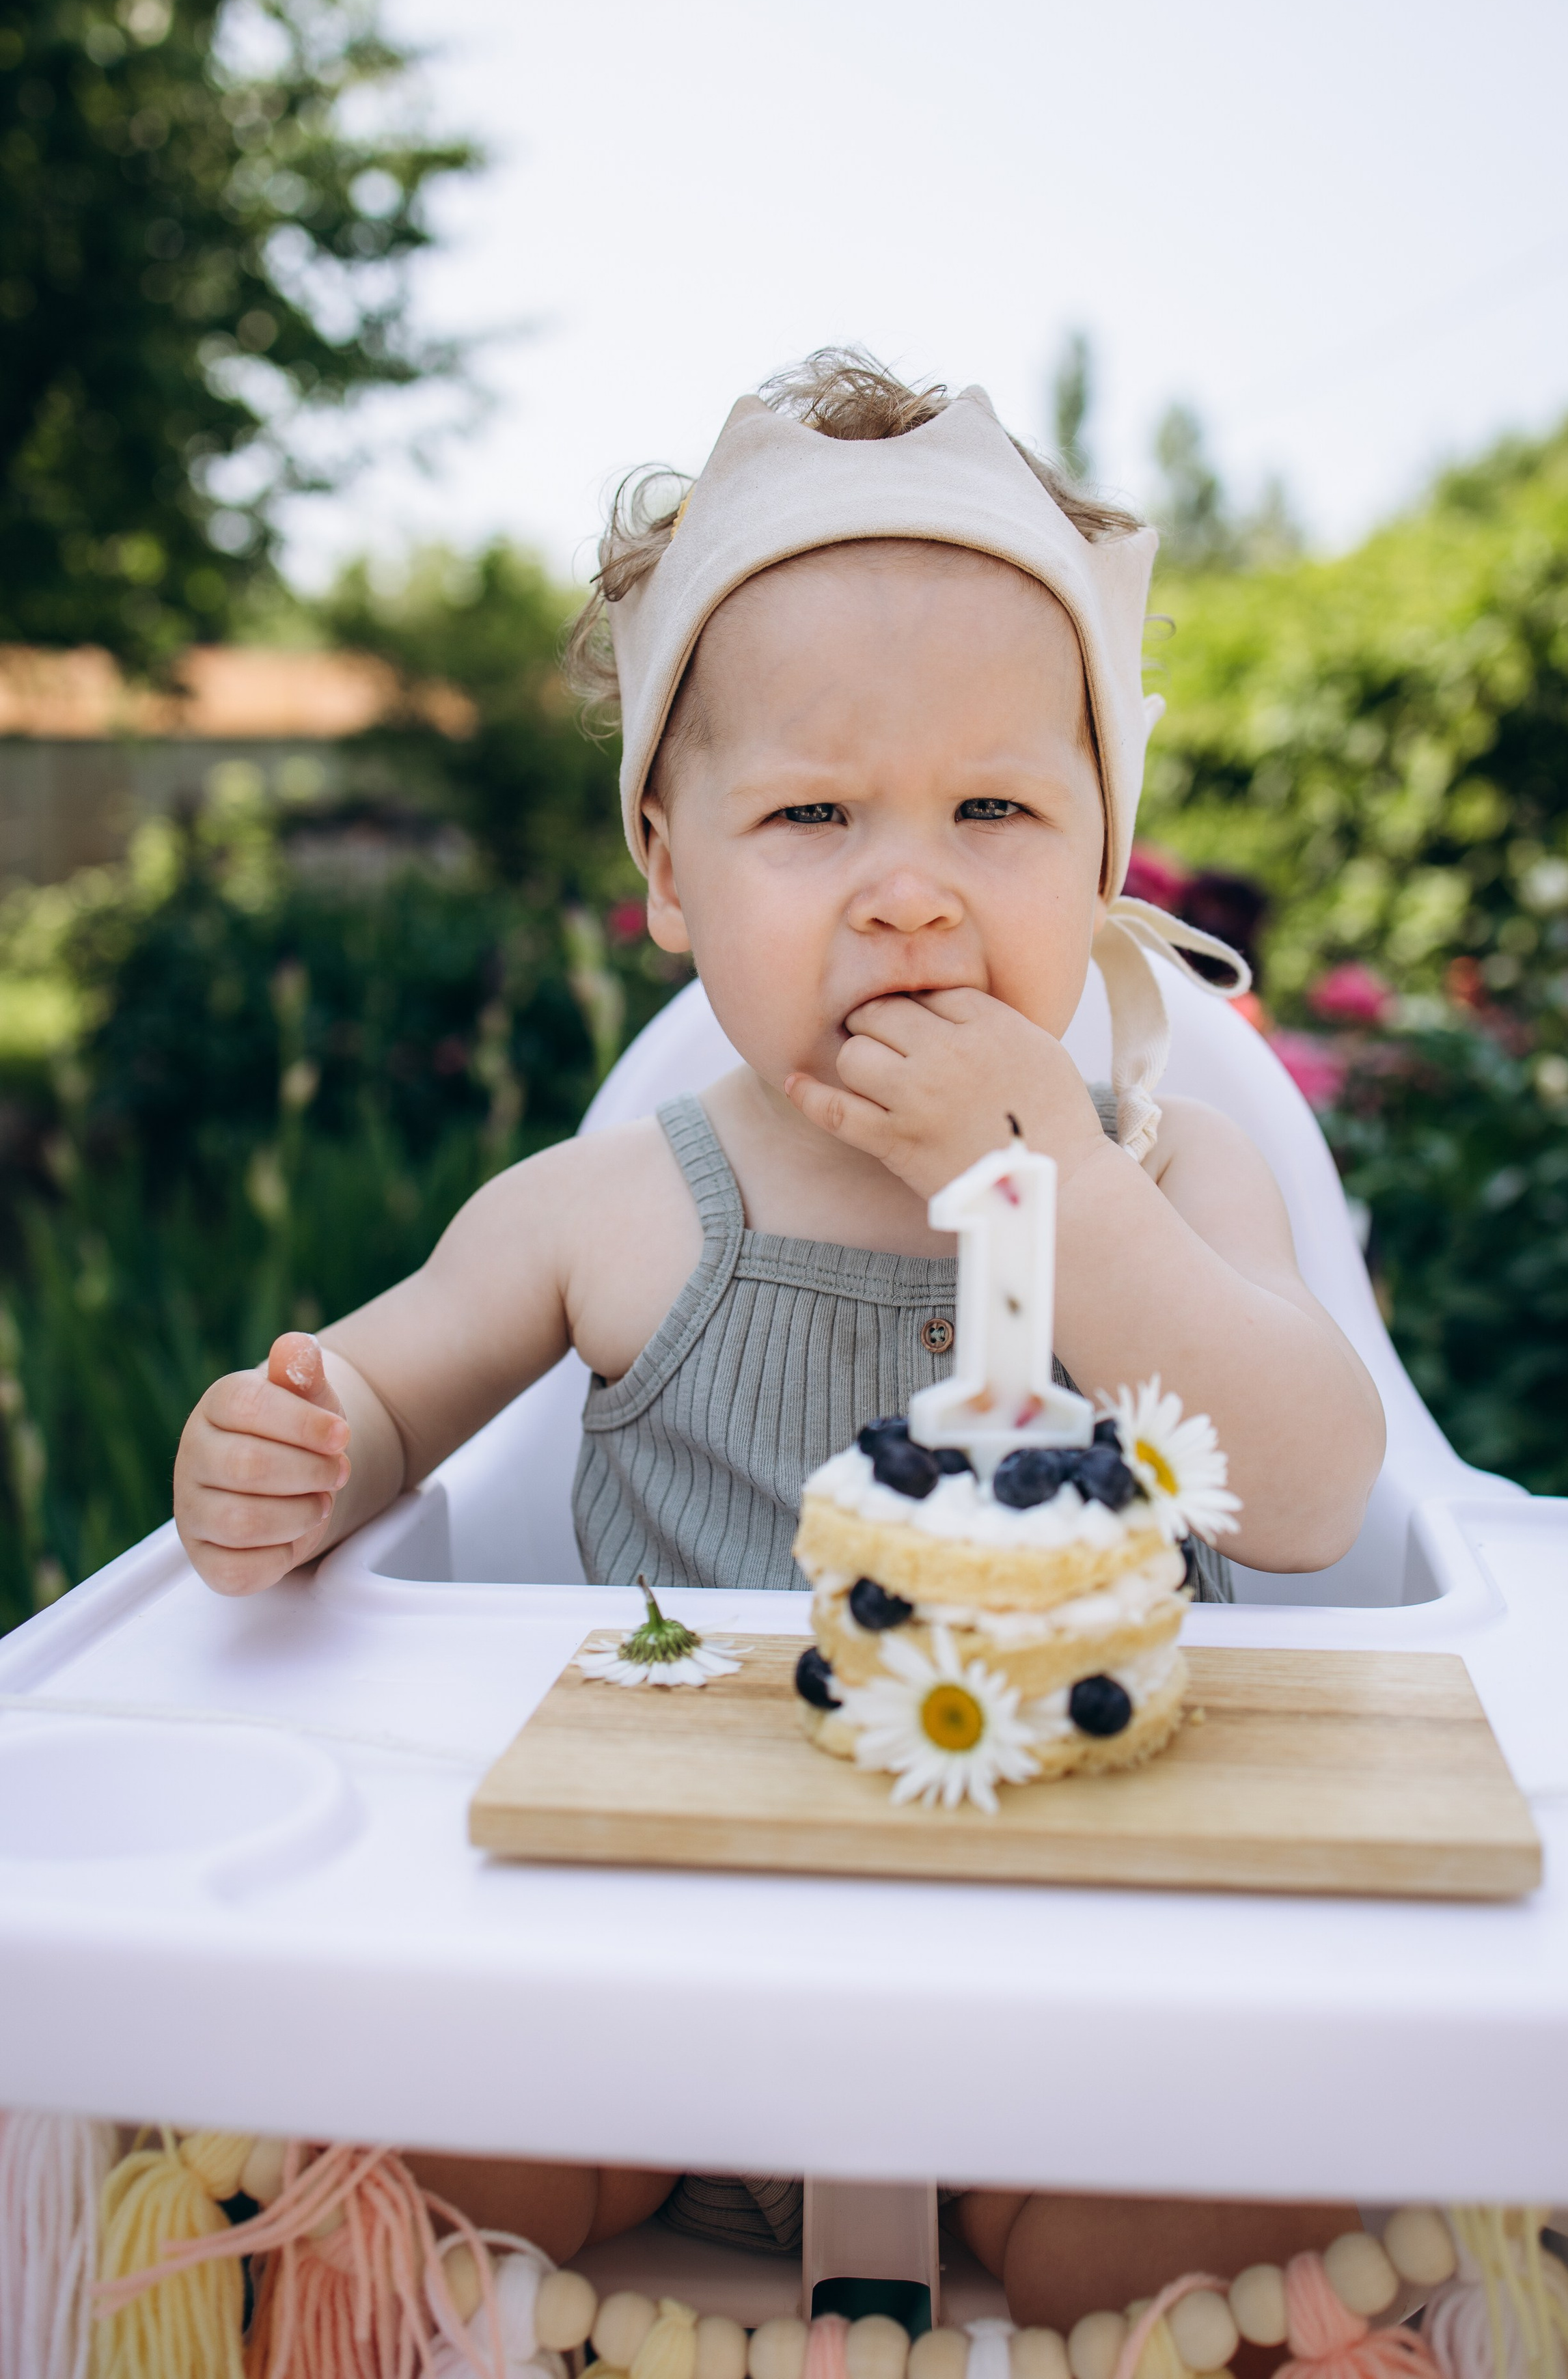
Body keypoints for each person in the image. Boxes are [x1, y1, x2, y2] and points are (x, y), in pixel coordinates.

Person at [172, 349, 1385, 2325]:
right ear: (670, 870)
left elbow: (1322, 1494)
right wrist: (297, 1451)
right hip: (649, 2005)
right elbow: (389, 1395)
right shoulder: (611, 1211)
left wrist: (1065, 1193)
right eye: (814, 813)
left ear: (1098, 857)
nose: (910, 892)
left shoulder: (1175, 1178)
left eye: (993, 807)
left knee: (1275, 2196)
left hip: (1070, 2017)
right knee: (363, 2133)